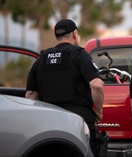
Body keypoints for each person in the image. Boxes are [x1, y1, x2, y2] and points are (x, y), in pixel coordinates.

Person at [25, 19, 104, 156]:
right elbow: (96, 85)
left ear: (57, 36)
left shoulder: (41, 59)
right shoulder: (79, 55)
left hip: (49, 123)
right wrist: (98, 112)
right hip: (79, 121)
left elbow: (30, 97)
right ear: (74, 34)